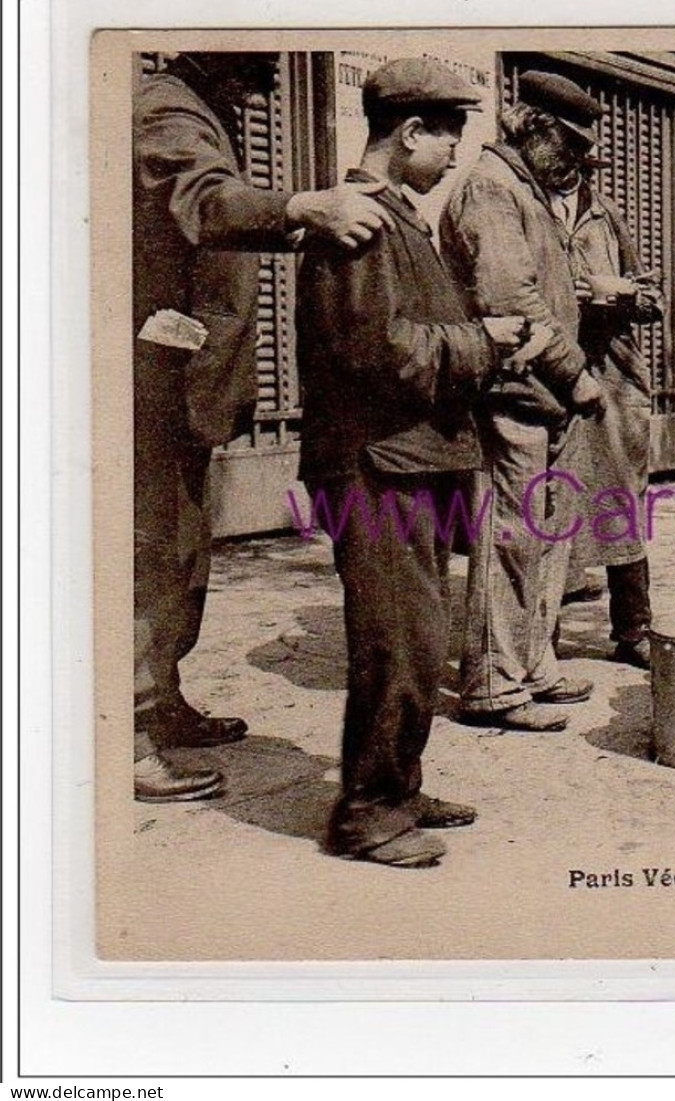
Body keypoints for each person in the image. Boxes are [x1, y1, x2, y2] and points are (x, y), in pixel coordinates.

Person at [296, 58, 547, 868]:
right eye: (448, 137)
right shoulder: (361, 223)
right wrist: (488, 341)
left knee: (416, 634)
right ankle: (367, 812)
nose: (452, 156)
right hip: (376, 465)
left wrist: (484, 339)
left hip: (413, 458)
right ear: (409, 134)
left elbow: (411, 333)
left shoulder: (398, 217)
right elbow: (380, 350)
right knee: (394, 642)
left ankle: (396, 784)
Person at [132, 52, 396, 802]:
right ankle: (122, 731)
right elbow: (209, 203)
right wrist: (299, 208)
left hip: (189, 385)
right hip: (153, 385)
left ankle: (162, 701)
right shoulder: (165, 109)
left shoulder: (199, 106)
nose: (268, 88)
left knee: (181, 555)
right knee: (141, 560)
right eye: (254, 71)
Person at [438, 70, 609, 733]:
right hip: (510, 392)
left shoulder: (526, 191)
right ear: (533, 127)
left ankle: (533, 665)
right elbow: (508, 296)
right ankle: (492, 684)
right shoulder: (490, 188)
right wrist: (575, 373)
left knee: (547, 538)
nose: (577, 160)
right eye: (568, 143)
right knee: (509, 537)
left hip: (544, 396)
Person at [528, 74, 665, 670]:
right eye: (569, 153)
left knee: (618, 501)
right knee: (549, 503)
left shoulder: (604, 215)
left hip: (609, 376)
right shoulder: (518, 204)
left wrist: (618, 295)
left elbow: (653, 300)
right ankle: (539, 638)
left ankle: (633, 628)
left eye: (585, 158)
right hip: (544, 372)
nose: (576, 168)